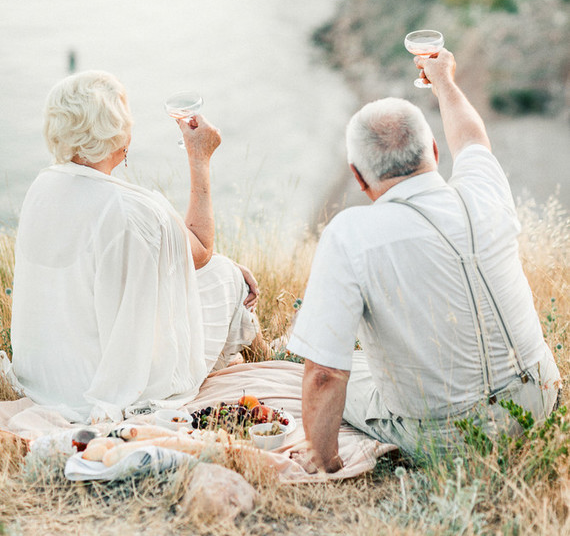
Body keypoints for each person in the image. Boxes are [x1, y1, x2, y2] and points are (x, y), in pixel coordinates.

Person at [288, 48, 561, 471]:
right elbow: (472, 138)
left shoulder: (350, 234)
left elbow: (324, 375)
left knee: (306, 374)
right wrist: (444, 81)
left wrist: (323, 460)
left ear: (358, 178)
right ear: (433, 149)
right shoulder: (483, 187)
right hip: (541, 395)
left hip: (450, 438)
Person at [10, 70, 265, 424]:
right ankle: (266, 358)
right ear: (116, 132)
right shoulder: (137, 211)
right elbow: (202, 249)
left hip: (47, 379)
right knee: (224, 273)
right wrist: (199, 158)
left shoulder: (42, 187)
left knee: (219, 269)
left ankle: (254, 354)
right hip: (104, 385)